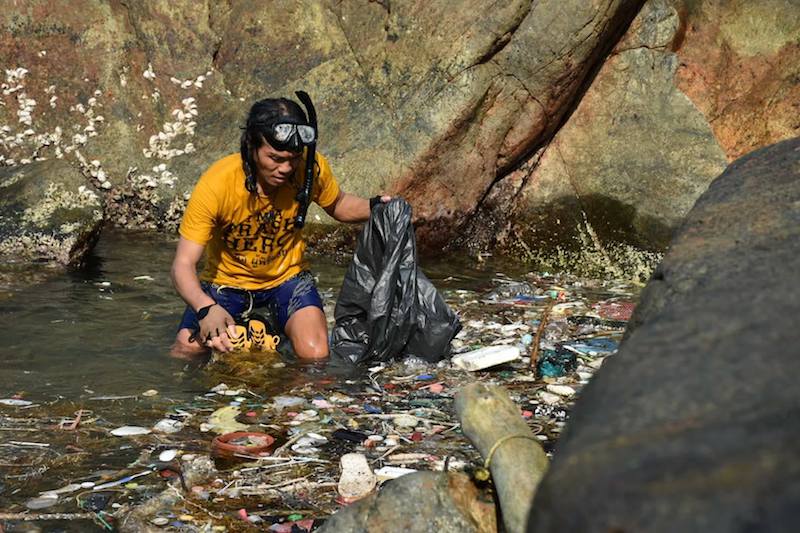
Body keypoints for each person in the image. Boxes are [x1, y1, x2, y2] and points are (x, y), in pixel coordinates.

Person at [170, 94, 388, 360]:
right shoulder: (217, 184)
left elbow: (338, 204)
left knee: (315, 354)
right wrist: (206, 309)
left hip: (287, 279)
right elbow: (182, 265)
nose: (285, 168)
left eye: (293, 159)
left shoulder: (310, 167)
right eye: (274, 158)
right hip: (225, 284)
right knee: (187, 348)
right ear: (251, 146)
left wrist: (379, 207)